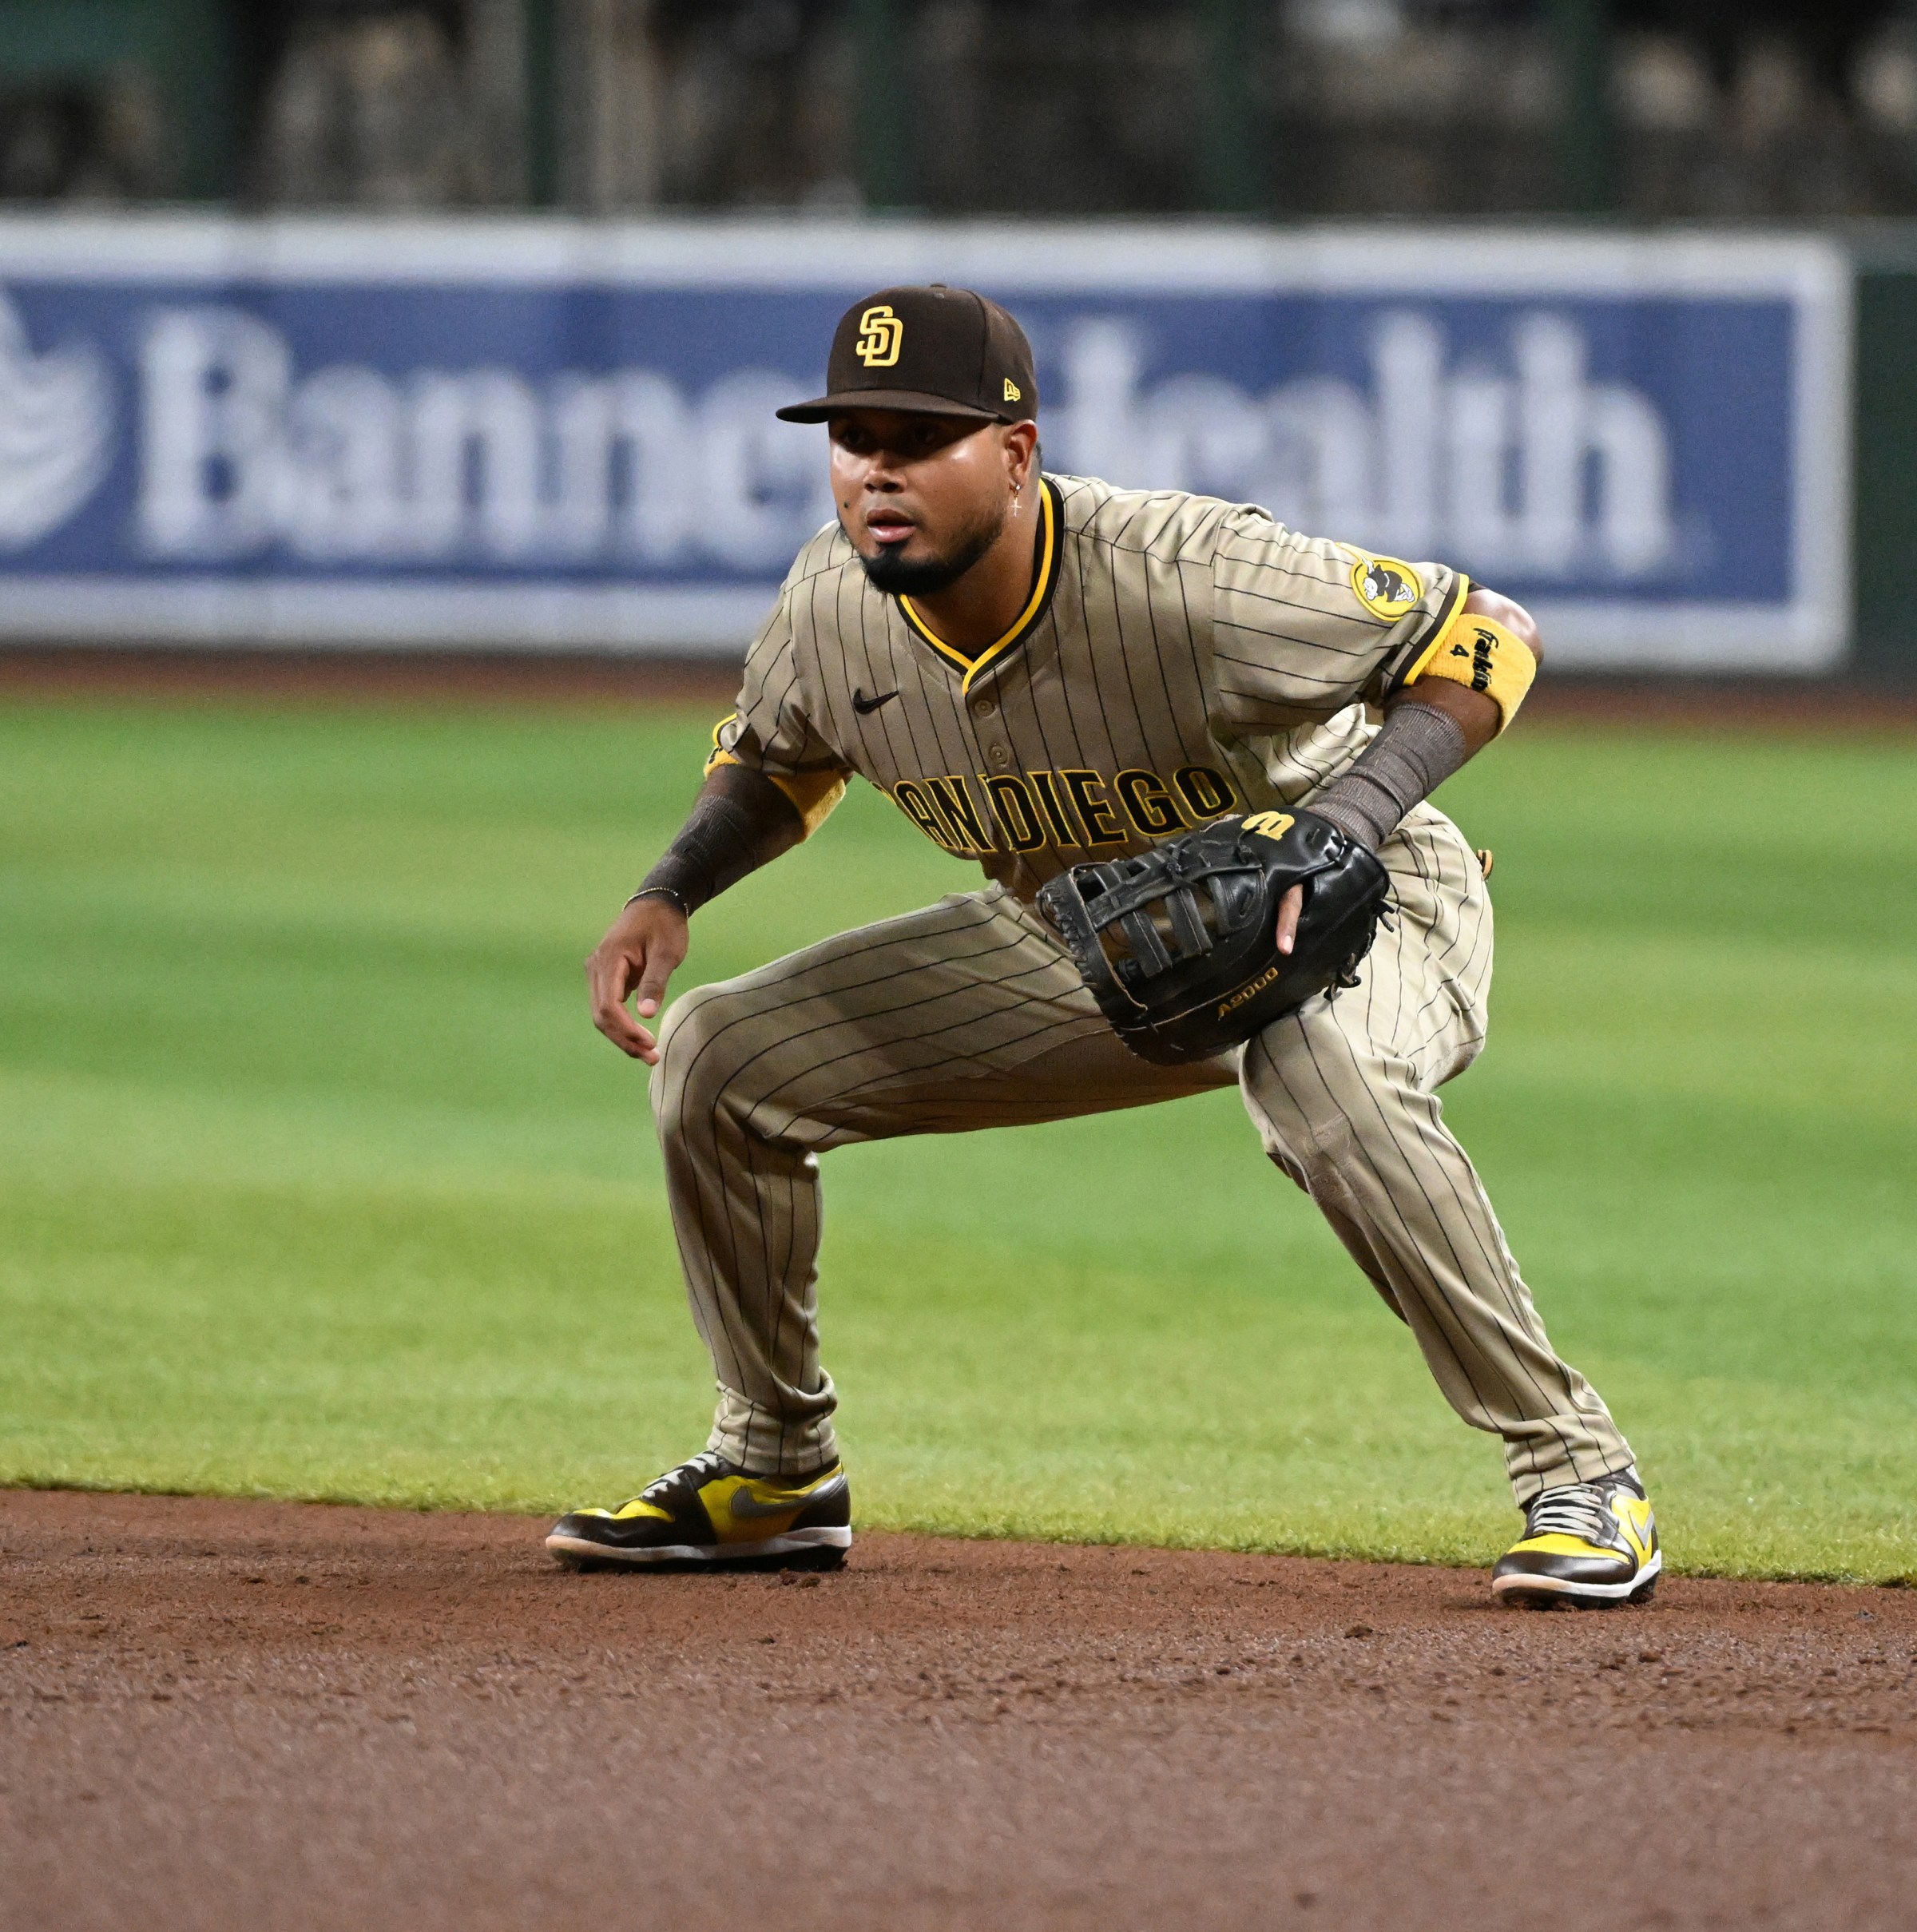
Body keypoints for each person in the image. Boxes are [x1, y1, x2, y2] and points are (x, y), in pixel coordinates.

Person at [546, 284, 1658, 1609]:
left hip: (1362, 901)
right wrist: (671, 889)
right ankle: (776, 1469)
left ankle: (1581, 1476)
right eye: (854, 438)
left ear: (1016, 453)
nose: (877, 470)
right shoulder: (827, 605)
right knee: (722, 1059)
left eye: (920, 438)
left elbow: (1485, 633)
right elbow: (777, 761)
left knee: (1316, 1072)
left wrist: (1351, 819)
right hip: (1080, 942)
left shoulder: (1184, 571)